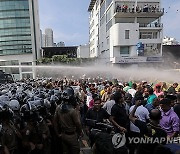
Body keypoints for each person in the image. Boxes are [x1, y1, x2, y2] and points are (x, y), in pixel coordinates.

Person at [54, 87, 82, 154]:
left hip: (63, 135)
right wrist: (79, 133)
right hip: (72, 136)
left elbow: (55, 122)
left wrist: (58, 134)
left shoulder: (58, 108)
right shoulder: (73, 111)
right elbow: (78, 124)